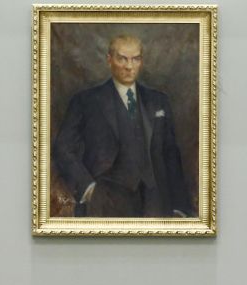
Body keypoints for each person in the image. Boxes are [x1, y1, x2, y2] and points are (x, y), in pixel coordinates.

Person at [54, 34, 194, 218]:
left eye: (135, 59)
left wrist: (180, 206)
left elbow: (170, 155)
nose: (129, 66)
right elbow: (63, 149)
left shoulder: (158, 101)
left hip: (155, 201)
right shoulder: (85, 101)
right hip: (104, 200)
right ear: (109, 60)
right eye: (122, 59)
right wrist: (88, 188)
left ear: (141, 62)